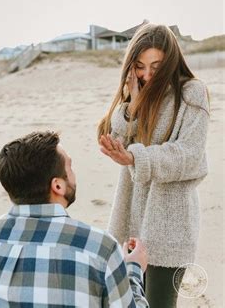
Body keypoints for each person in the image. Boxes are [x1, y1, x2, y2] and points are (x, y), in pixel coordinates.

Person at [97, 24, 209, 308]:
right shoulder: (137, 91)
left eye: (156, 66)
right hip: (130, 218)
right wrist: (133, 105)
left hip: (170, 225)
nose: (147, 75)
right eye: (140, 66)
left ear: (171, 61)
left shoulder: (192, 93)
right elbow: (113, 141)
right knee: (125, 303)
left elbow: (190, 156)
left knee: (159, 304)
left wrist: (137, 157)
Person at [0, 131, 149, 307]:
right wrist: (133, 270)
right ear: (57, 185)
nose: (73, 173)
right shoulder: (100, 248)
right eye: (70, 167)